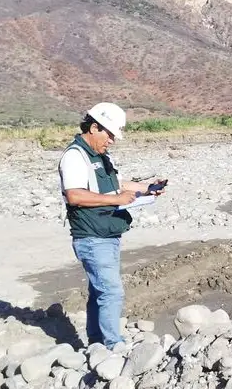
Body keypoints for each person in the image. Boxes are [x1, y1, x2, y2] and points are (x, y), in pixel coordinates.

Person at [57, 102, 164, 350]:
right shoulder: (75, 156)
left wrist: (146, 188)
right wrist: (116, 200)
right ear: (94, 127)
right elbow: (74, 195)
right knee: (111, 292)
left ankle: (96, 342)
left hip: (107, 233)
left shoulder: (100, 156)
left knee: (99, 291)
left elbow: (116, 183)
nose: (112, 141)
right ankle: (113, 345)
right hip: (91, 236)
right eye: (110, 134)